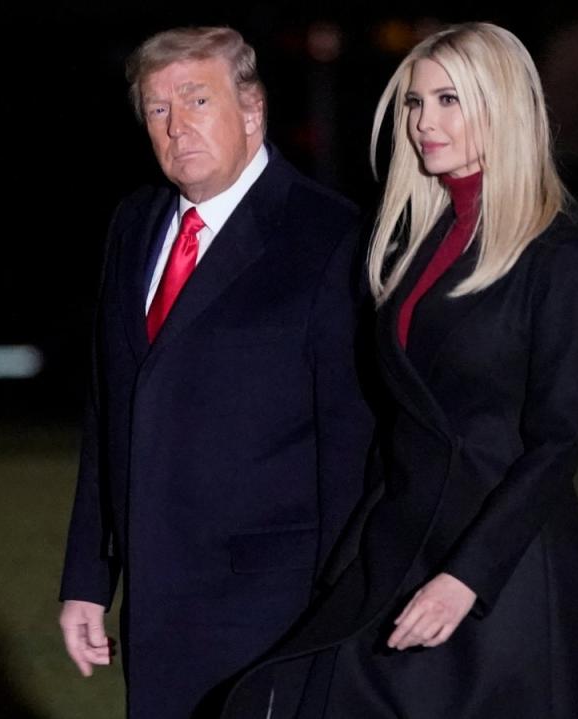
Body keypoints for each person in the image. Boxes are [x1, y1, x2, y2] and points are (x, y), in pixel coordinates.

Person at [221, 22, 578, 718]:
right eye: (415, 104)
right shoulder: (412, 247)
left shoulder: (562, 262)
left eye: (448, 100)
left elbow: (557, 442)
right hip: (401, 547)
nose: (423, 123)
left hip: (505, 576)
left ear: (501, 108)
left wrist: (467, 577)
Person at [57, 26, 373, 719]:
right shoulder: (135, 224)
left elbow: (351, 441)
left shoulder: (327, 236)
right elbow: (109, 408)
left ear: (252, 111)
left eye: (197, 100)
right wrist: (87, 574)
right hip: (155, 602)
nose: (176, 126)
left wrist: (340, 610)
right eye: (157, 108)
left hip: (273, 608)